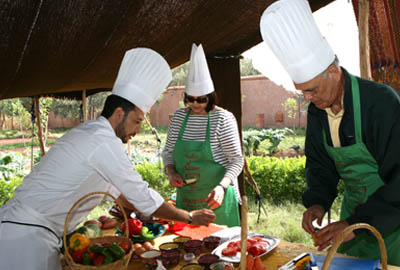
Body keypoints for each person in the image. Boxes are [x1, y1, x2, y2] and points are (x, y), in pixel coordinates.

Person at [0, 48, 215, 270]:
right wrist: (189, 217)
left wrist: (142, 216)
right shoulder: (102, 141)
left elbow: (122, 194)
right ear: (119, 114)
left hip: (27, 230)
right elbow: (140, 195)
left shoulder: (95, 134)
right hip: (25, 237)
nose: (138, 129)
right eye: (137, 120)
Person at [260, 0, 400, 265]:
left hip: (393, 221)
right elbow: (320, 165)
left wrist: (356, 222)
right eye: (303, 91)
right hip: (351, 222)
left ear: (334, 72)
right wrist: (318, 202)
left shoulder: (382, 104)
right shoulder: (318, 110)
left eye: (312, 89)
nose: (308, 98)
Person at [162, 44, 243, 227]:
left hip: (217, 199)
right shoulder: (179, 117)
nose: (195, 104)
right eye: (190, 99)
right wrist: (172, 171)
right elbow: (167, 152)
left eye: (201, 100)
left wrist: (222, 186)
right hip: (187, 201)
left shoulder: (223, 118)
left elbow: (237, 160)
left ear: (211, 97)